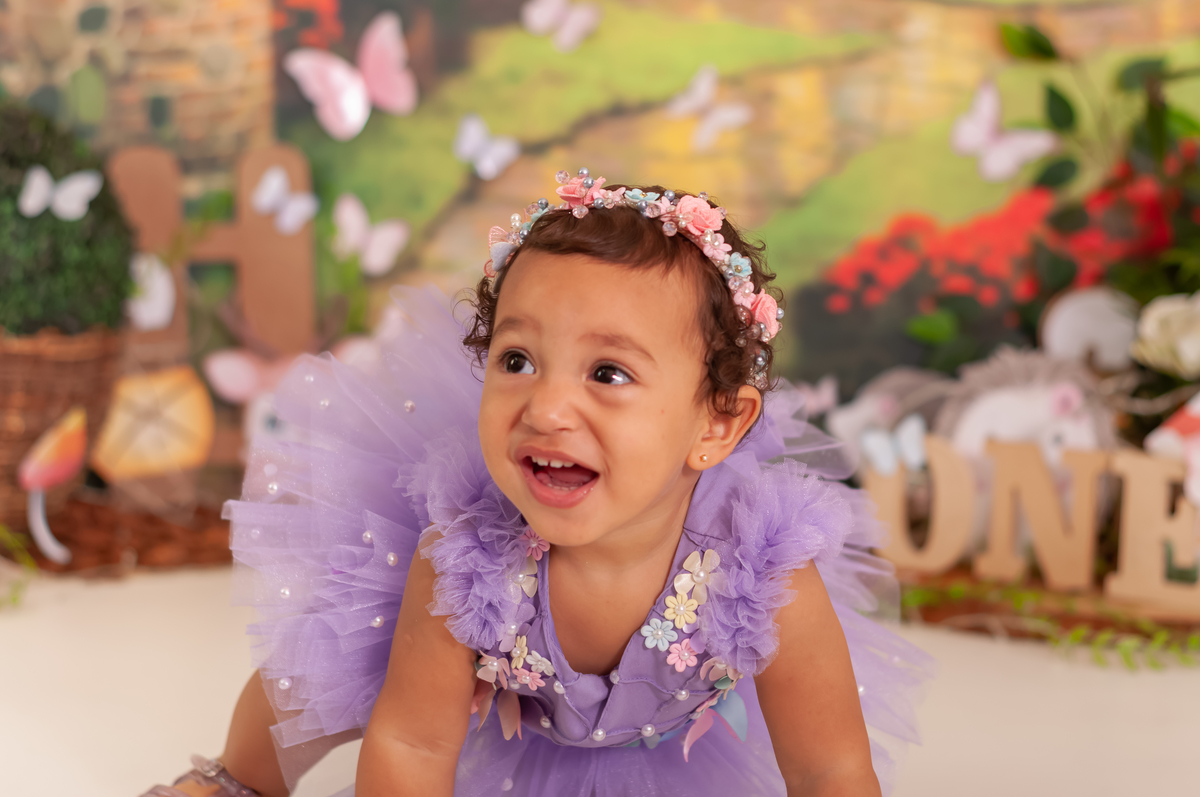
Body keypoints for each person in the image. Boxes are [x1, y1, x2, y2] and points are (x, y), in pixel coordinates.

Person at [145, 171, 932, 797]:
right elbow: (412, 743)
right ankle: (236, 777)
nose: (546, 408)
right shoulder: (465, 557)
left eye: (608, 372)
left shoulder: (763, 571)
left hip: (648, 733)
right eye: (516, 359)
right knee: (329, 666)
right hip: (443, 663)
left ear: (717, 426)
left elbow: (829, 770)